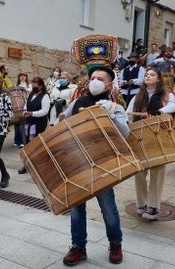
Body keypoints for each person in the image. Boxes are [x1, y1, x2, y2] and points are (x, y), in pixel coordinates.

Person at [62, 66, 128, 266]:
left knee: (108, 207)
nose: (95, 81)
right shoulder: (76, 103)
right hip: (77, 162)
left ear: (109, 84)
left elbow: (125, 134)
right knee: (76, 209)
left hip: (102, 164)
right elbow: (63, 125)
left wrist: (110, 116)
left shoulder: (115, 107)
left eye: (100, 78)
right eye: (92, 78)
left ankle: (115, 244)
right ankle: (78, 247)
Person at [126, 67, 175, 219]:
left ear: (159, 79)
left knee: (157, 171)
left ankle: (153, 207)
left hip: (159, 136)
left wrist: (159, 112)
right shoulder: (137, 96)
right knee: (139, 171)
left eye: (152, 74)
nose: (148, 76)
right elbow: (129, 114)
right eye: (147, 74)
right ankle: (141, 204)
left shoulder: (166, 95)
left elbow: (173, 106)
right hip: (140, 136)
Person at [18, 76, 50, 174]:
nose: (33, 87)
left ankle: (39, 165)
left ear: (40, 86)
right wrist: (25, 111)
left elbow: (45, 111)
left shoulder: (45, 96)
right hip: (29, 123)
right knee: (28, 144)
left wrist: (32, 114)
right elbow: (26, 105)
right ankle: (26, 165)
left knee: (37, 145)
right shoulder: (31, 94)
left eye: (35, 85)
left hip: (39, 124)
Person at [13, 71, 32, 148]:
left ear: (26, 77)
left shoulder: (29, 85)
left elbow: (29, 93)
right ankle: (16, 141)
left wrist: (23, 89)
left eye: (24, 75)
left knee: (22, 124)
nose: (22, 77)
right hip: (17, 106)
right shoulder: (16, 85)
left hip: (25, 106)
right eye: (21, 76)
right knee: (16, 124)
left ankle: (22, 141)